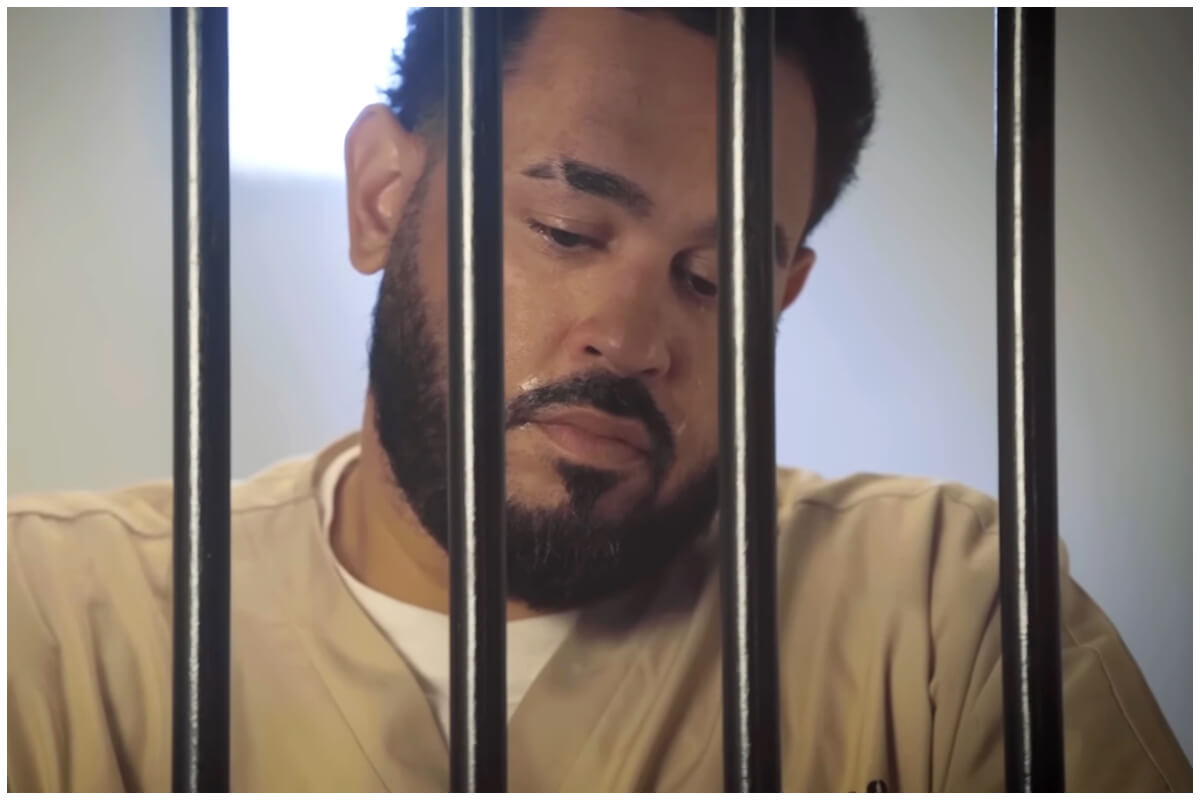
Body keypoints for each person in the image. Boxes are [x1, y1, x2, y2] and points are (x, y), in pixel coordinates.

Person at [7, 8, 1190, 792]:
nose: (627, 339)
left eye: (712, 279)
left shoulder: (945, 619)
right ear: (380, 198)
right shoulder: (55, 631)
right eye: (568, 229)